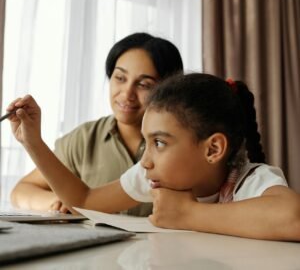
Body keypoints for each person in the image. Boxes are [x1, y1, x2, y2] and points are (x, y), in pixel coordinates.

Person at [7, 73, 300, 241]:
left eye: (159, 143)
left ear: (213, 149)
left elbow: (293, 217)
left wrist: (188, 214)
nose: (145, 161)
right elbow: (84, 201)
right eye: (146, 143)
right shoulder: (153, 177)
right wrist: (33, 142)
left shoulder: (251, 180)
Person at [10, 32, 183, 216]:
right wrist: (57, 201)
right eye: (120, 78)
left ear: (168, 89)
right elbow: (22, 191)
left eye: (144, 84)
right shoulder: (84, 139)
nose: (127, 94)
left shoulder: (181, 146)